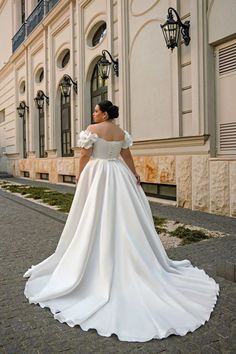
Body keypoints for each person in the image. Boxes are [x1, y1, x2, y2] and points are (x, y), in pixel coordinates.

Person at [23, 100, 219, 342]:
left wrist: (80, 175)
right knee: (126, 216)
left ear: (104, 113)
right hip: (119, 174)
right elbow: (127, 155)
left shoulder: (92, 130)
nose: (93, 113)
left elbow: (85, 155)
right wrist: (135, 174)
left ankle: (98, 255)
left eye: (96, 110)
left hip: (98, 173)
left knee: (94, 214)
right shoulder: (121, 132)